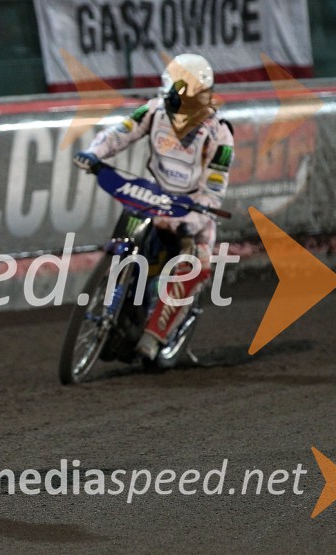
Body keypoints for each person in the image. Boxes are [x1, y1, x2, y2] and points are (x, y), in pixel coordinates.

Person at [74, 53, 234, 360]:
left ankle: (154, 336)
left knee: (194, 264)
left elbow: (214, 190)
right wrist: (94, 152)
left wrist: (192, 220)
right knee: (127, 237)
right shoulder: (153, 110)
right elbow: (120, 132)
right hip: (152, 198)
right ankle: (115, 300)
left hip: (193, 211)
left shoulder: (220, 134)